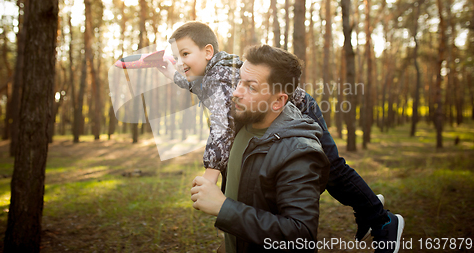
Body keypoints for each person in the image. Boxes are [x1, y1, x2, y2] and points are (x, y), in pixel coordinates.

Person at [158, 21, 404, 253]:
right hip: (269, 109)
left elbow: (222, 129)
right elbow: (192, 83)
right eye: (177, 56)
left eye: (185, 55)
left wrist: (210, 176)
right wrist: (169, 70)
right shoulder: (208, 74)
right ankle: (368, 208)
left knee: (333, 169)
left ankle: (381, 220)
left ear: (208, 51)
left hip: (298, 106)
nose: (180, 62)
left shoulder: (218, 79)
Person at [190, 44, 330, 252]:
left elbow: (301, 235)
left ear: (278, 101)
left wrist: (223, 208)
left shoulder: (298, 152)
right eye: (239, 81)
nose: (236, 92)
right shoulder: (240, 123)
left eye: (251, 87)